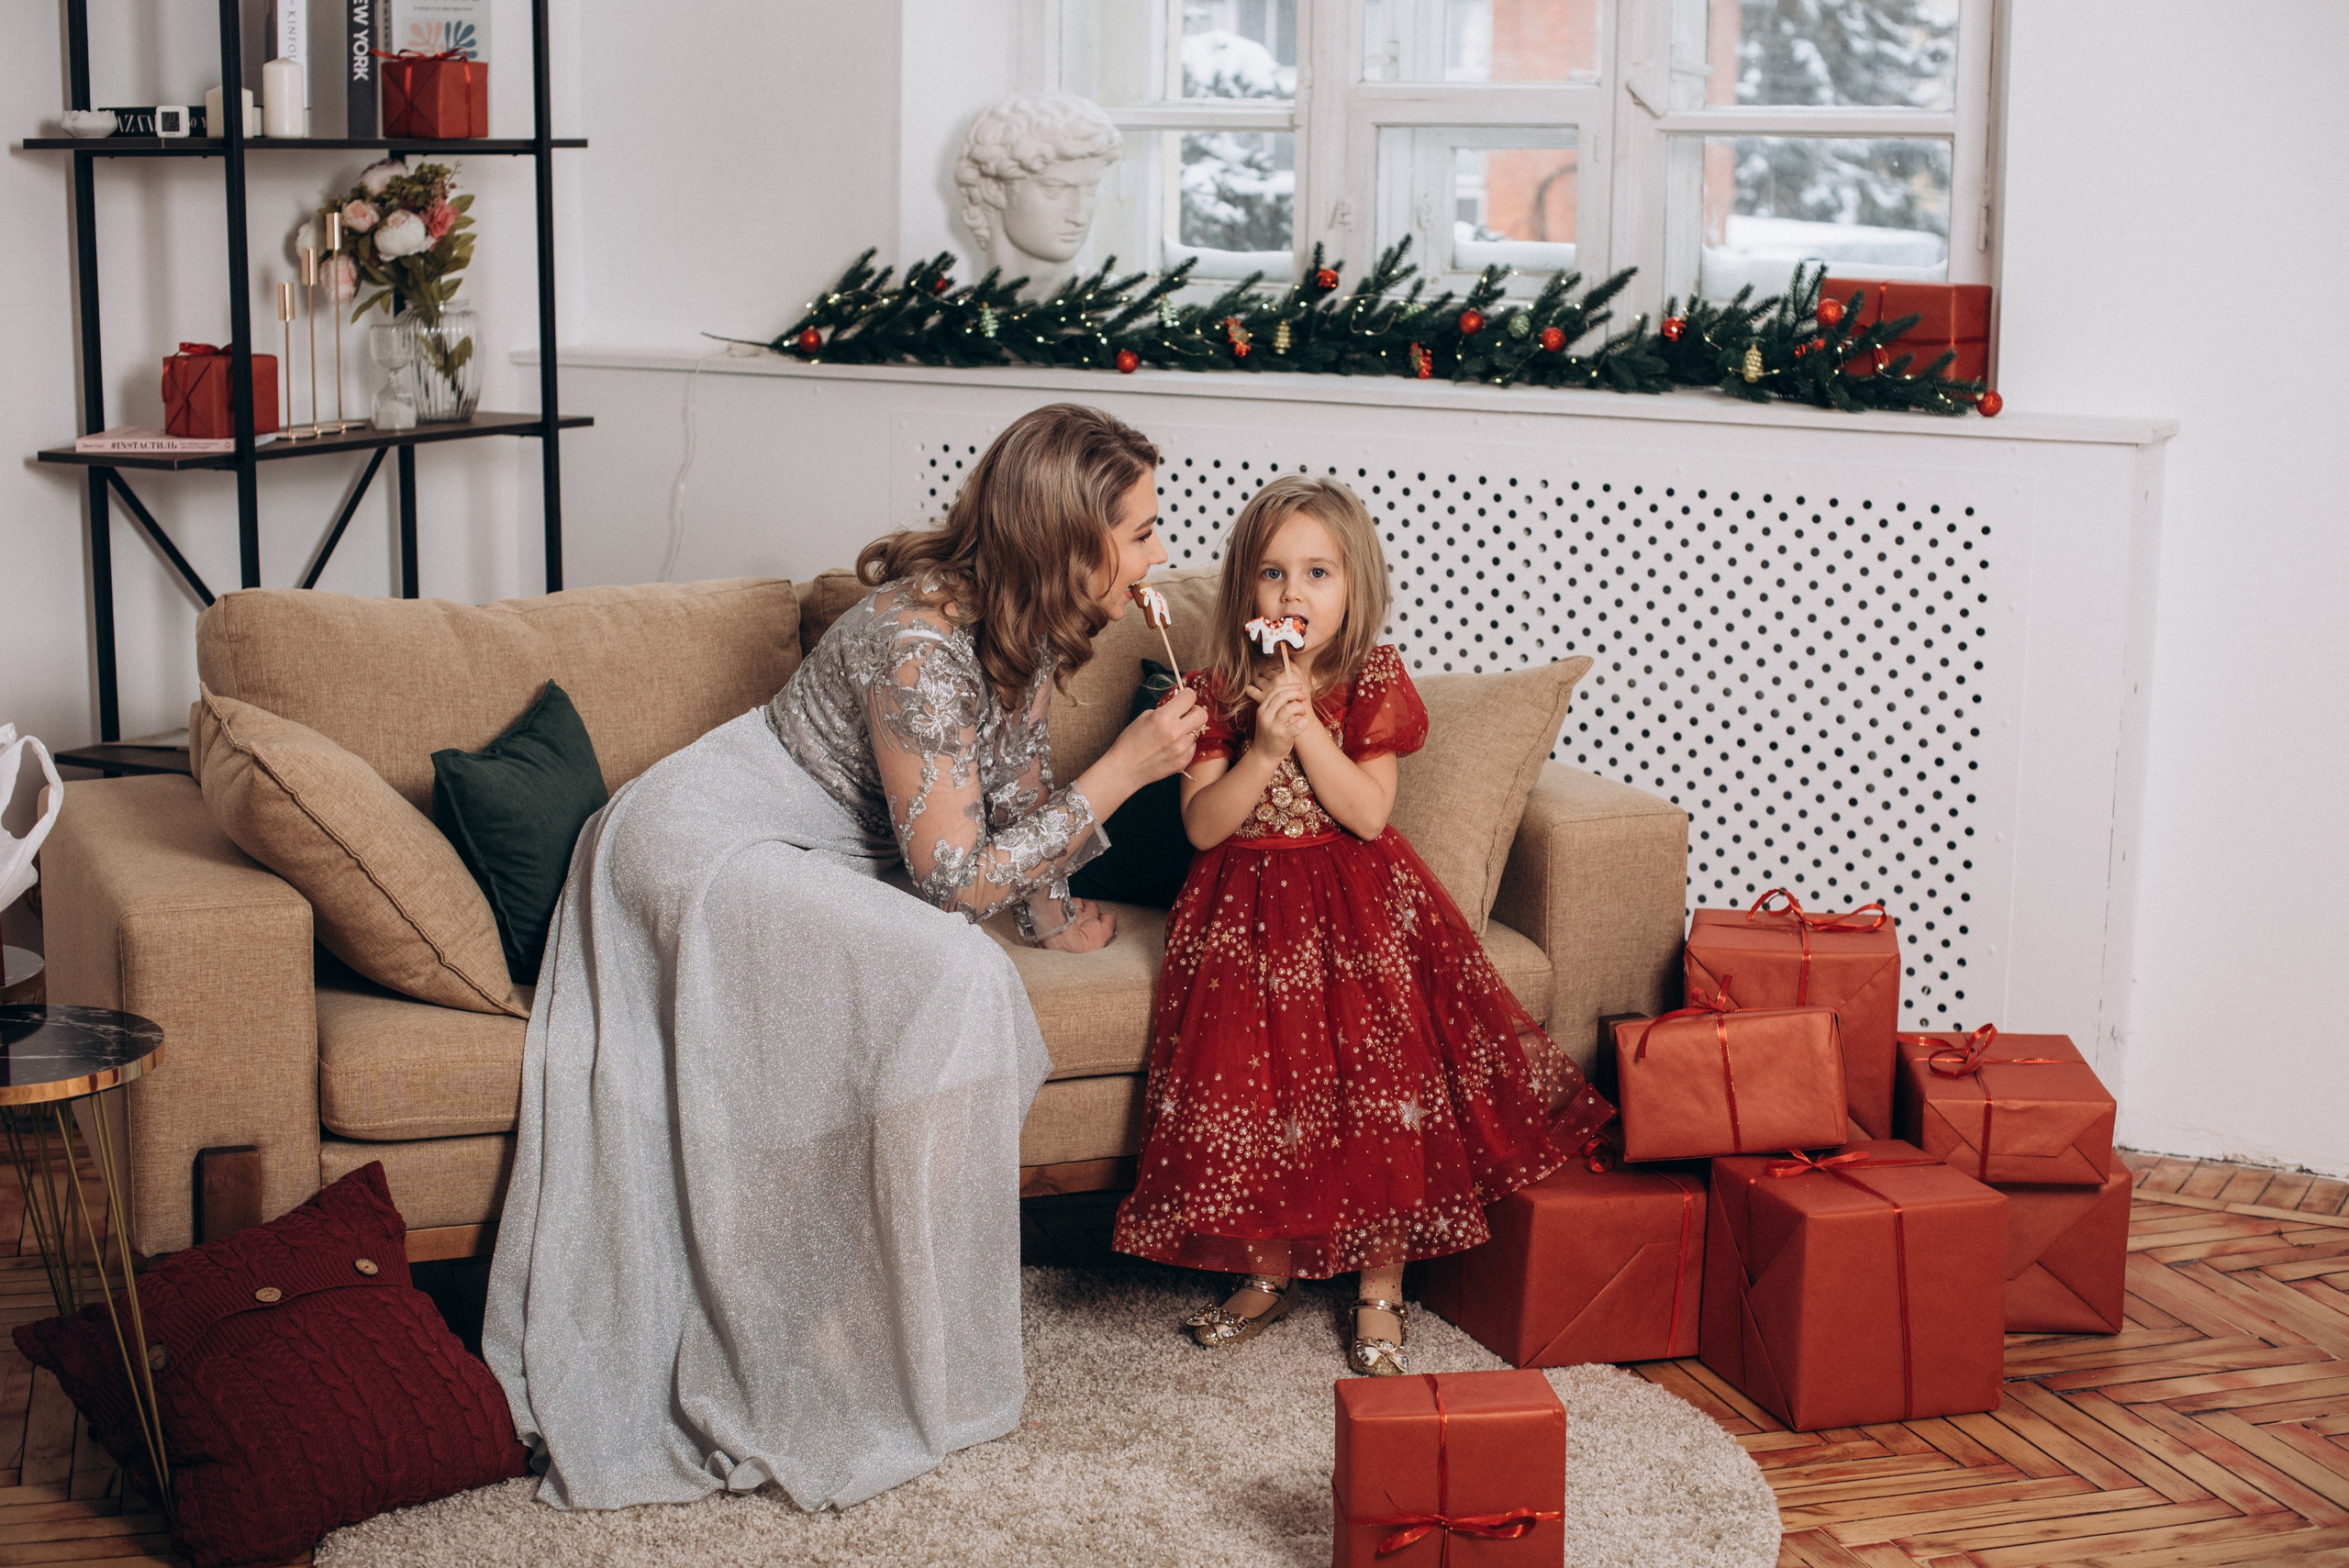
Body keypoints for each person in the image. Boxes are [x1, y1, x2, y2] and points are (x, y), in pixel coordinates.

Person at [484, 404, 1206, 1509]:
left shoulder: (1018, 616)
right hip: (705, 841)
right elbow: (953, 883)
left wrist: (1055, 915)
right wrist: (1126, 771)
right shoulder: (920, 641)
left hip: (821, 844)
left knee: (960, 977)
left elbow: (1006, 778)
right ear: (1069, 540)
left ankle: (879, 1317)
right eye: (1145, 530)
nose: (1161, 552)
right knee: (955, 973)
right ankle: (848, 1343)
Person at [1110, 473, 1613, 1374]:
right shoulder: (1217, 686)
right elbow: (1202, 825)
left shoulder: (1367, 679)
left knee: (1379, 1095)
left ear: (1355, 590)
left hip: (1353, 910)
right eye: (1271, 572)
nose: (1293, 591)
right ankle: (1266, 1272)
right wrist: (1259, 742)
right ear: (1243, 589)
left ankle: (1382, 1286)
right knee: (1253, 1099)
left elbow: (1369, 814)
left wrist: (1303, 730)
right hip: (1243, 914)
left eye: (1317, 572)